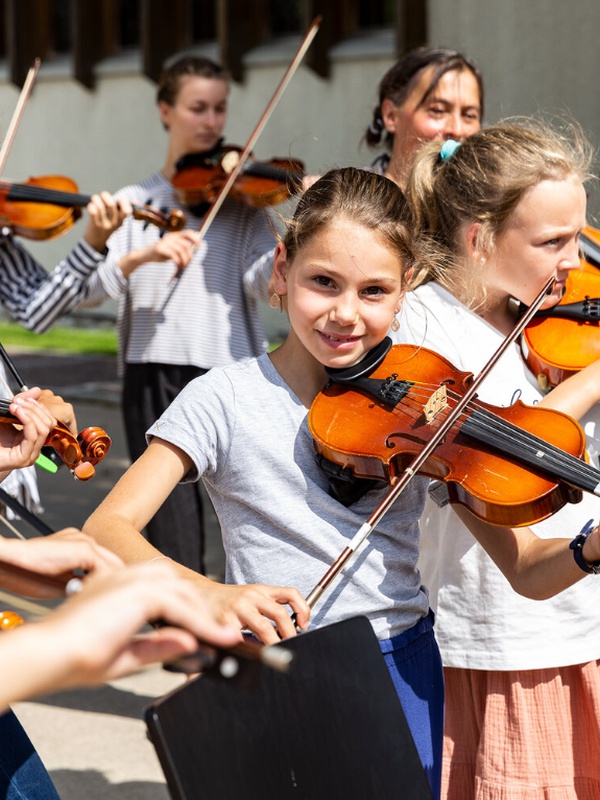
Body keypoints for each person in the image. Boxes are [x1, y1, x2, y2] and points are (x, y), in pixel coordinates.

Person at [82, 166, 600, 799]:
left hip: (398, 665)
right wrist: (207, 594)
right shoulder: (223, 398)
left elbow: (527, 571)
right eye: (323, 282)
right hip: (273, 669)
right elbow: (106, 529)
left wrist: (587, 549)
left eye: (374, 291)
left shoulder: (429, 407)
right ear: (281, 267)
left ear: (406, 291)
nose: (345, 314)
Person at [395, 120, 600, 798]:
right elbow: (483, 437)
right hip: (504, 645)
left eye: (578, 236)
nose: (576, 263)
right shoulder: (426, 332)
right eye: (552, 242)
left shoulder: (526, 321)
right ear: (479, 238)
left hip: (571, 628)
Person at [84, 54, 277, 574]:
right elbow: (85, 293)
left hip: (231, 370)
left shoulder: (241, 205)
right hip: (154, 370)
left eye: (219, 109)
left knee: (257, 513)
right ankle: (185, 642)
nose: (212, 122)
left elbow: (266, 283)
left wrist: (279, 223)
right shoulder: (133, 202)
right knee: (169, 526)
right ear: (166, 110)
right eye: (197, 108)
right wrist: (134, 256)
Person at [365, 47, 483, 190]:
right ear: (391, 116)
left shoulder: (489, 208)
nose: (456, 130)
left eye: (469, 115)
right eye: (438, 110)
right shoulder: (350, 205)